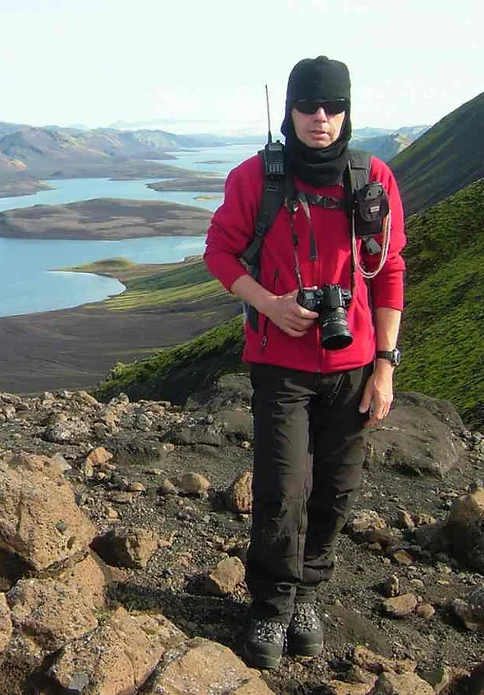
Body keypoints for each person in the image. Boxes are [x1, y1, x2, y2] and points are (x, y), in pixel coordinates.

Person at [203, 56, 406, 670]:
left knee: (337, 490)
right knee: (281, 489)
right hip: (280, 364)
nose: (321, 120)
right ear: (290, 110)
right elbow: (219, 252)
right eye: (309, 107)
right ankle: (270, 603)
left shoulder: (372, 178)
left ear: (347, 110)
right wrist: (269, 303)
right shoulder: (255, 179)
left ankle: (307, 595)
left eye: (333, 107)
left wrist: (386, 364)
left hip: (353, 362)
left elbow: (391, 268)